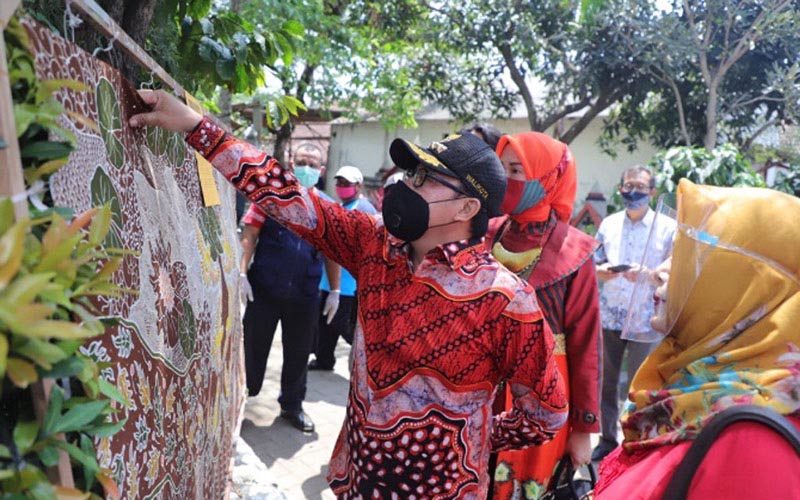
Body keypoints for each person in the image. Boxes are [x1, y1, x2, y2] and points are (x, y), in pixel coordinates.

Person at [129, 89, 568, 498]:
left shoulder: (505, 302)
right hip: (356, 480)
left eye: (426, 178)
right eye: (411, 173)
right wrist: (194, 125)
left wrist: (470, 432)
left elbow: (547, 413)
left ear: (468, 207)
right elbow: (287, 194)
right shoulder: (373, 244)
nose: (406, 185)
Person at [593, 180, 800, 499]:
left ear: (741, 285)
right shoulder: (694, 386)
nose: (660, 271)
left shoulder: (750, 441)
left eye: (687, 255)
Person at [488, 132, 601, 499]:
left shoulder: (576, 252)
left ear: (547, 176)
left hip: (543, 395)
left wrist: (583, 430)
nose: (506, 178)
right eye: (502, 168)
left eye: (517, 169)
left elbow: (587, 346)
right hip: (479, 386)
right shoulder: (486, 233)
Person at [237, 142, 331, 433]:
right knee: (252, 348)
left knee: (298, 353)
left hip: (305, 295)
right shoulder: (270, 196)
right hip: (264, 289)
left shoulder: (326, 208)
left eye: (313, 164)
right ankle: (242, 399)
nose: (307, 168)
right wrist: (241, 274)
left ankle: (292, 406)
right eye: (302, 161)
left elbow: (332, 252)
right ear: (291, 164)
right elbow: (250, 234)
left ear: (322, 170)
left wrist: (336, 292)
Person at [591, 166, 675, 462]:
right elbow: (595, 260)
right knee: (607, 382)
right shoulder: (609, 224)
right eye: (628, 185)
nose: (634, 191)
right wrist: (601, 271)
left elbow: (675, 272)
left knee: (640, 385)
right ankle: (607, 438)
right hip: (611, 315)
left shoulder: (666, 227)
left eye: (640, 186)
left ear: (652, 191)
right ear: (620, 189)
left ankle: (638, 439)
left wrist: (648, 275)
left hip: (645, 319)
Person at [309, 165, 377, 372]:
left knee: (340, 322)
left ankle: (367, 351)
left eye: (346, 184)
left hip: (348, 283)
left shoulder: (363, 209)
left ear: (358, 186)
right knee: (326, 323)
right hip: (329, 280)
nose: (341, 187)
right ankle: (324, 360)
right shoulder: (342, 206)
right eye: (339, 183)